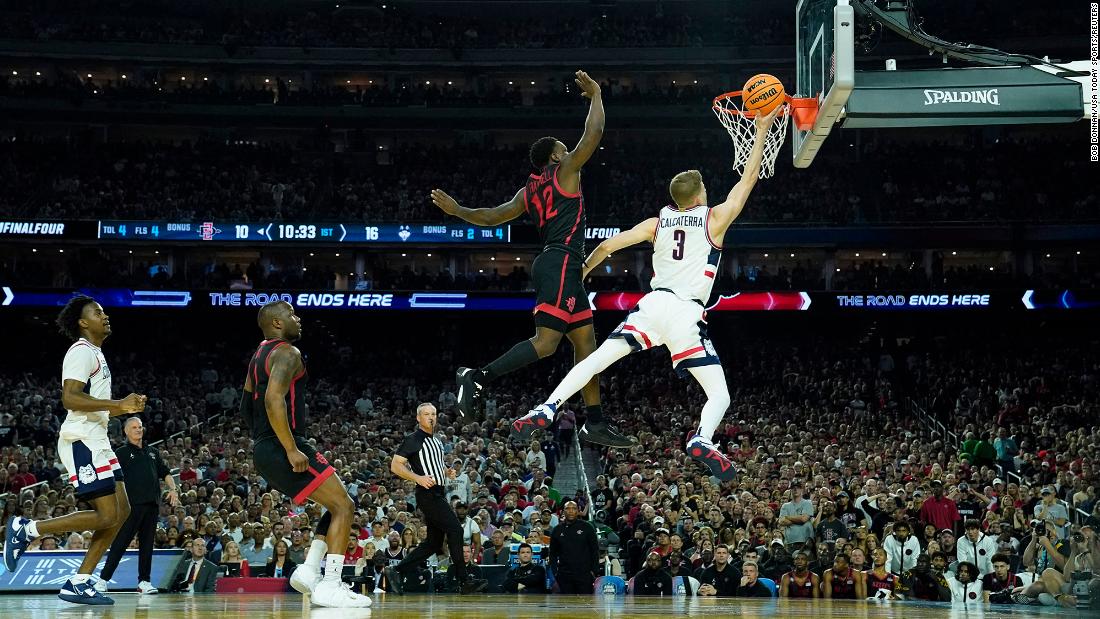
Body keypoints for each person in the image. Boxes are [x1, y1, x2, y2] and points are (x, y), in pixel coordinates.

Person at [514, 105, 781, 480]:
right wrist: (763, 128)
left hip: (652, 305)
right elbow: (749, 177)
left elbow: (608, 246)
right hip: (687, 314)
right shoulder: (715, 218)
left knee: (596, 360)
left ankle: (546, 407)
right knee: (719, 395)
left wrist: (582, 273)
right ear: (700, 194)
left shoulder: (657, 222)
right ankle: (702, 437)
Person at [431, 70, 630, 449]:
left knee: (586, 345)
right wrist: (597, 96)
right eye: (562, 147)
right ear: (556, 156)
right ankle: (476, 376)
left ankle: (596, 420)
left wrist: (459, 210)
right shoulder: (565, 171)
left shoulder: (529, 190)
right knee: (546, 343)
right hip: (560, 263)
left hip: (560, 265)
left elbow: (491, 216)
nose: (567, 150)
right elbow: (595, 135)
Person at [5, 295, 146, 605]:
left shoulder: (96, 353)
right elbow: (70, 398)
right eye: (98, 312)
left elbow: (96, 404)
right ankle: (28, 529)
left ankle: (79, 581)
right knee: (106, 513)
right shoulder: (81, 351)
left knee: (122, 513)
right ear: (83, 322)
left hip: (98, 439)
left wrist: (121, 407)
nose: (105, 315)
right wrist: (117, 405)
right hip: (81, 437)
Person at [241, 301, 371, 608]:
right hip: (283, 445)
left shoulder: (257, 356)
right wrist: (289, 447)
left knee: (336, 504)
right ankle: (330, 584)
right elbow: (274, 401)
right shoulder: (287, 352)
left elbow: (246, 408)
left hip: (264, 447)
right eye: (292, 315)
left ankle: (310, 570)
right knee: (344, 505)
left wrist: (264, 442)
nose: (298, 319)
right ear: (276, 323)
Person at [386, 403, 488, 595]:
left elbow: (435, 465)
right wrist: (417, 478)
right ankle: (463, 580)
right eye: (426, 414)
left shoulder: (437, 440)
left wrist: (446, 472)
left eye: (433, 413)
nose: (431, 417)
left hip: (438, 492)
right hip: (427, 494)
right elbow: (395, 465)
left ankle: (396, 570)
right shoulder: (413, 439)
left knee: (433, 543)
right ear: (418, 418)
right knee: (456, 529)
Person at [98, 416, 180, 595]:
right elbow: (111, 478)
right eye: (134, 427)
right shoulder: (121, 453)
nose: (138, 430)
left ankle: (144, 581)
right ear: (126, 431)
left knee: (147, 545)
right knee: (121, 543)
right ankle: (103, 580)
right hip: (131, 506)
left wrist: (173, 489)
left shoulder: (153, 452)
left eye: (140, 427)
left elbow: (165, 473)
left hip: (152, 505)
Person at [548, 500, 600, 593]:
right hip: (564, 575)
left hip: (584, 574)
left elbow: (595, 550)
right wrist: (555, 572)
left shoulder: (587, 527)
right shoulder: (557, 530)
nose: (571, 511)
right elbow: (552, 553)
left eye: (574, 508)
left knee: (585, 604)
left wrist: (594, 571)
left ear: (578, 510)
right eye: (568, 508)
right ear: (563, 511)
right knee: (566, 604)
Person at [778, 480, 815, 546]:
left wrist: (787, 517)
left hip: (806, 541)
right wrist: (799, 519)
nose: (795, 489)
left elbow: (803, 519)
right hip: (790, 541)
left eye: (798, 488)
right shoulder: (785, 505)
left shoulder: (808, 503)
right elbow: (781, 521)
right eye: (793, 488)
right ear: (791, 490)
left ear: (801, 489)